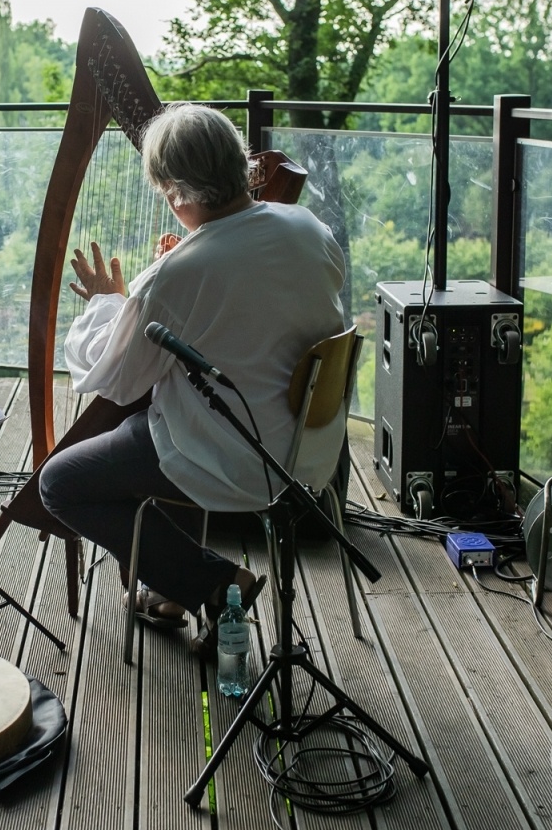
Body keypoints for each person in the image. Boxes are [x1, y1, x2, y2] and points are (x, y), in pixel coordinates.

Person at [39, 103, 347, 647]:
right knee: (154, 424)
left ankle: (214, 582)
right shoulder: (309, 227)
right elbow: (259, 300)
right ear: (240, 165)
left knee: (61, 483)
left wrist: (111, 302)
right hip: (312, 442)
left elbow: (117, 380)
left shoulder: (180, 272)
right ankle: (175, 587)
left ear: (175, 191)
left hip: (235, 457)